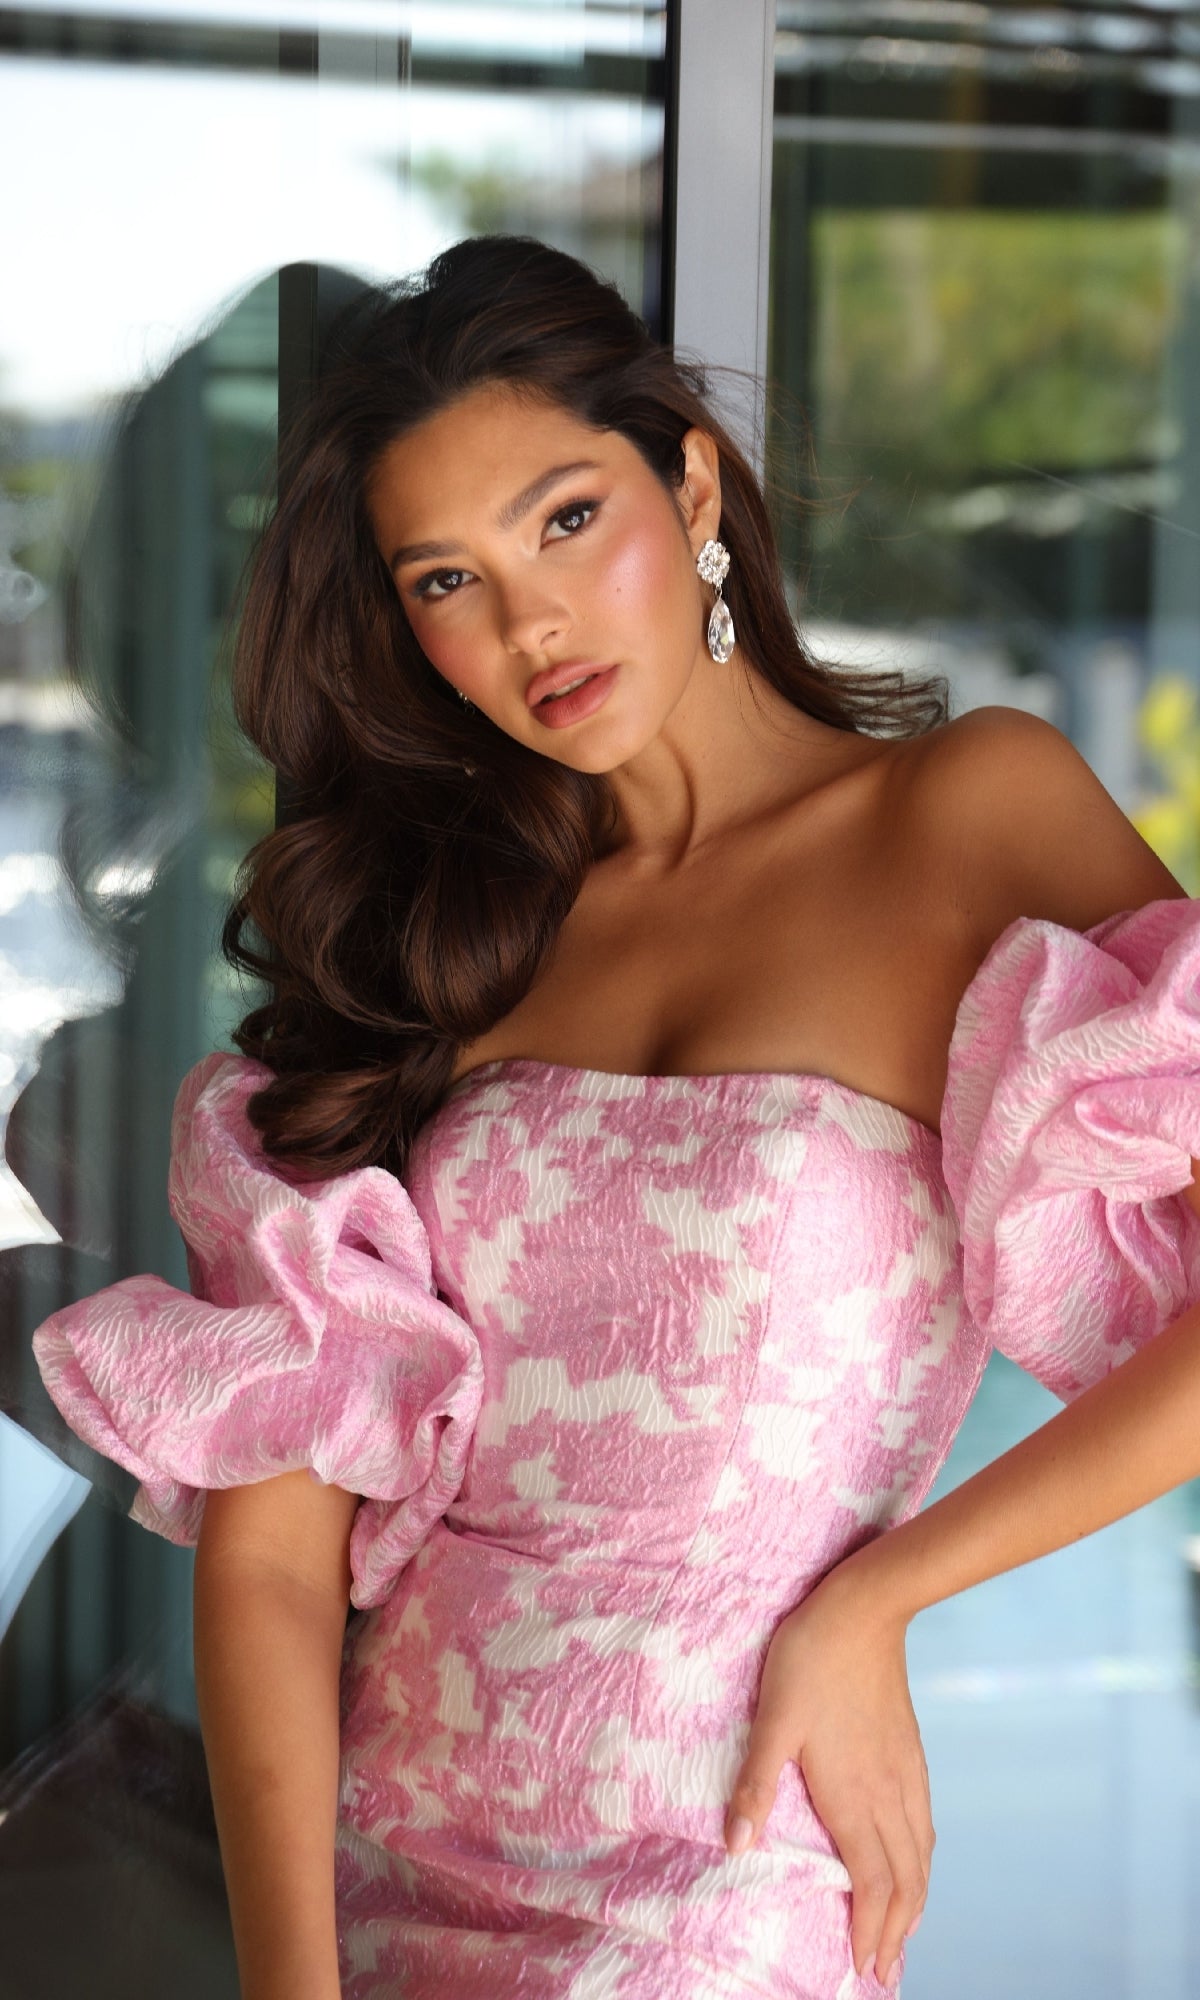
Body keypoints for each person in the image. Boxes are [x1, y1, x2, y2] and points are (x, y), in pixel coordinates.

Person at [28, 234, 1200, 2000]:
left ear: (693, 486)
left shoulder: (964, 817)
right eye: (448, 580)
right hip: (386, 1869)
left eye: (566, 521)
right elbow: (275, 1538)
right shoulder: (439, 937)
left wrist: (881, 1598)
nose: (531, 625)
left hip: (718, 1876)